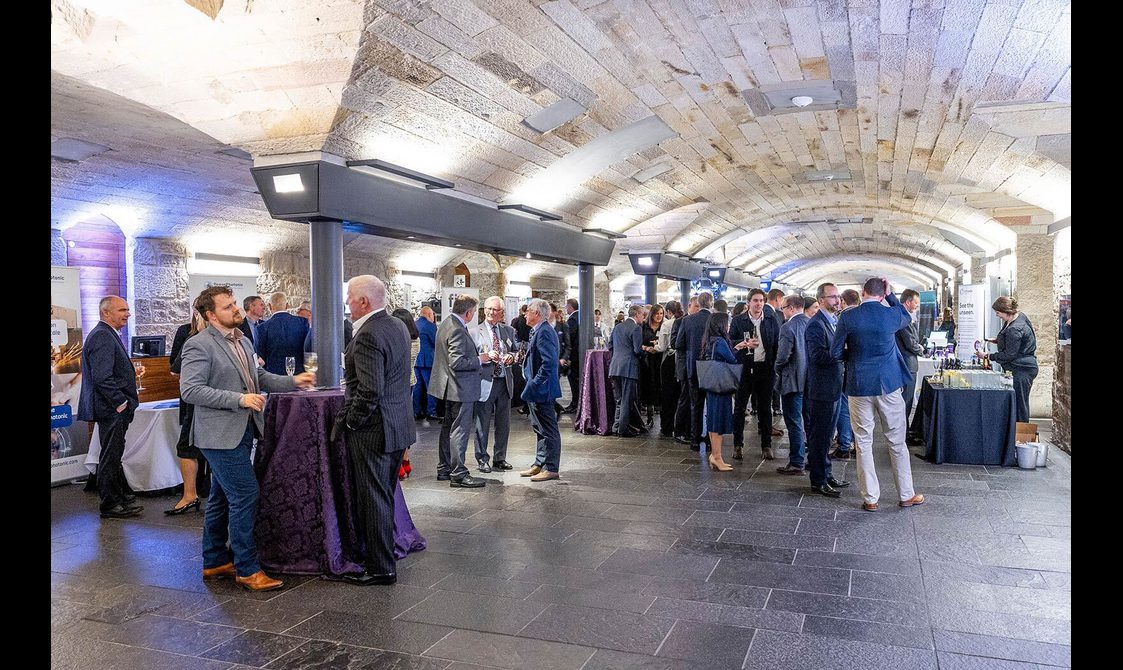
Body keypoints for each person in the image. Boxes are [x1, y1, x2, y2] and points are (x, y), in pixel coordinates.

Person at [180, 286, 315, 591]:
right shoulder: (198, 345)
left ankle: (214, 560)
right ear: (211, 315)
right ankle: (247, 568)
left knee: (221, 496)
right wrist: (239, 400)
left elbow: (258, 378)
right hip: (217, 434)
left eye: (234, 305)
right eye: (227, 307)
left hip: (241, 431)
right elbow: (190, 390)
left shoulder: (241, 339)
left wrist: (293, 381)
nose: (236, 310)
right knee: (245, 495)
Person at [335, 276, 416, 585]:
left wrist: (352, 422)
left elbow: (370, 391)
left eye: (350, 298)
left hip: (374, 430)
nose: (347, 303)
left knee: (373, 498)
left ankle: (380, 567)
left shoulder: (368, 334)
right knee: (382, 495)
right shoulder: (396, 325)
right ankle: (383, 560)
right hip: (397, 425)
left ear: (364, 302)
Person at [832, 278, 923, 512]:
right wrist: (892, 296)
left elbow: (835, 352)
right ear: (882, 295)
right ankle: (906, 494)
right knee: (896, 441)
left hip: (859, 385)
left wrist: (852, 359)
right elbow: (905, 315)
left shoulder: (848, 317)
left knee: (863, 442)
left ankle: (870, 497)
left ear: (862, 292)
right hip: (889, 385)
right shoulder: (892, 315)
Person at [77, 295, 143, 519]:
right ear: (106, 312)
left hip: (112, 408)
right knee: (110, 456)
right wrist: (120, 403)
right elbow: (102, 378)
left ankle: (119, 498)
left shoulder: (106, 334)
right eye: (122, 310)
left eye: (127, 309)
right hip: (111, 409)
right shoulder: (102, 336)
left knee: (114, 454)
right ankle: (111, 504)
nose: (128, 314)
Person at [430, 294, 489, 487]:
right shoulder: (457, 329)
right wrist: (481, 359)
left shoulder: (446, 323)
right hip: (461, 388)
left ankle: (444, 468)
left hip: (449, 387)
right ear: (469, 312)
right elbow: (456, 362)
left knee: (448, 428)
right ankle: (459, 473)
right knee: (459, 431)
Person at [803, 282, 851, 498]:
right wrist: (843, 352)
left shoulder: (833, 321)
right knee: (820, 436)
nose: (837, 300)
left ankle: (827, 474)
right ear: (821, 300)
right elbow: (817, 356)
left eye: (838, 296)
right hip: (821, 389)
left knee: (827, 435)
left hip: (833, 387)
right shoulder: (816, 325)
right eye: (832, 297)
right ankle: (818, 480)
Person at [166, 305, 209, 515]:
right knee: (189, 447)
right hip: (197, 402)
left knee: (188, 447)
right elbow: (174, 366)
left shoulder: (197, 340)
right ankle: (191, 494)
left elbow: (178, 369)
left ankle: (191, 495)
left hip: (199, 402)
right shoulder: (188, 334)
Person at [730, 289, 779, 460]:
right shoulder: (738, 321)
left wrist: (775, 366)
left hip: (765, 368)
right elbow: (730, 341)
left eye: (761, 300)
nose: (759, 304)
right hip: (744, 368)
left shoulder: (772, 320)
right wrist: (740, 344)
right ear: (749, 303)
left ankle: (766, 445)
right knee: (740, 407)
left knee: (766, 408)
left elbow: (777, 344)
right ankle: (738, 445)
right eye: (755, 300)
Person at [471, 297, 518, 472]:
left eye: (496, 310)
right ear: (484, 310)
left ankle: (500, 457)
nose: (492, 312)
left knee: (503, 423)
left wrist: (511, 357)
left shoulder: (508, 331)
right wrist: (484, 357)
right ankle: (482, 458)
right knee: (482, 424)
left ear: (502, 313)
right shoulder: (474, 332)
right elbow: (471, 358)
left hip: (504, 382)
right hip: (485, 382)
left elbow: (516, 351)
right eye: (489, 309)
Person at [520, 299, 563, 481]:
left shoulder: (544, 332)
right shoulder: (537, 330)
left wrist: (536, 383)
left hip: (542, 389)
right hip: (536, 389)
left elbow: (549, 363)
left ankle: (551, 467)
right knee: (539, 428)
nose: (525, 314)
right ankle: (540, 463)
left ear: (537, 313)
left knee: (548, 429)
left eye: (528, 311)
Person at [774, 296, 812, 475]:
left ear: (790, 308)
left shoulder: (788, 327)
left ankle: (797, 462)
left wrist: (777, 368)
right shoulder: (812, 323)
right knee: (810, 421)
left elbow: (783, 356)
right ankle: (812, 458)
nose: (782, 312)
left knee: (794, 421)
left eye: (783, 308)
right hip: (810, 380)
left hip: (792, 380)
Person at [701, 311, 743, 471]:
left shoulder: (710, 340)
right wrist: (738, 349)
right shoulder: (720, 341)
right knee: (718, 421)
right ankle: (717, 456)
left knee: (712, 420)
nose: (729, 325)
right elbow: (731, 359)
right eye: (727, 323)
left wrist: (736, 346)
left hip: (712, 385)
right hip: (721, 386)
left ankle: (715, 455)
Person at [987, 296, 1038, 423]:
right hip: (1022, 366)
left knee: (1021, 405)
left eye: (998, 312)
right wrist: (999, 340)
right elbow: (1017, 342)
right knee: (1018, 403)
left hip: (1022, 369)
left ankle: (1022, 438)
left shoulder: (1015, 328)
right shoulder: (1018, 317)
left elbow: (1010, 355)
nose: (997, 315)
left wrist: (988, 356)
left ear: (1006, 311)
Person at [675, 292, 714, 451]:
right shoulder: (716, 319)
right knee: (711, 405)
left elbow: (678, 344)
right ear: (711, 303)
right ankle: (711, 440)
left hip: (693, 367)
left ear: (699, 303)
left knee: (695, 405)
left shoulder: (687, 320)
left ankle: (695, 440)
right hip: (711, 367)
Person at [830, 290, 861, 459]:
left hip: (846, 367)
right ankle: (858, 445)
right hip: (861, 372)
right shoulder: (863, 316)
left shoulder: (844, 316)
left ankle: (844, 444)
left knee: (843, 407)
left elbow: (837, 349)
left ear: (843, 301)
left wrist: (843, 356)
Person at [609, 304, 647, 437]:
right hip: (629, 368)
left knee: (619, 399)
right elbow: (637, 350)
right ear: (637, 314)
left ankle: (616, 426)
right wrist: (645, 351)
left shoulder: (618, 326)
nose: (644, 317)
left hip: (615, 367)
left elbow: (610, 345)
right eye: (643, 315)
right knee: (627, 399)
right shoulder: (636, 328)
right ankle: (623, 430)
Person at [390, 307, 419, 479]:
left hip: (397, 385)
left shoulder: (399, 340)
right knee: (406, 421)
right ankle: (406, 458)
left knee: (397, 423)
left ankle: (400, 460)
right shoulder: (416, 340)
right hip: (411, 382)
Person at [256, 292, 310, 375]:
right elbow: (308, 348)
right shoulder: (302, 322)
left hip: (274, 377)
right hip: (299, 375)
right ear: (287, 305)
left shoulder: (262, 328)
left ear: (270, 306)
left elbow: (261, 357)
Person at [895, 289, 925, 428]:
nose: (917, 306)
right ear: (908, 302)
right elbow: (910, 343)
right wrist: (921, 350)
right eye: (916, 303)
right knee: (906, 400)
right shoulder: (904, 319)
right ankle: (903, 434)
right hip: (907, 364)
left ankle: (904, 431)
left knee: (906, 400)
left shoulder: (905, 317)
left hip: (907, 363)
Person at [672, 297, 699, 443]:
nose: (698, 309)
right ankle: (679, 432)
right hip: (684, 365)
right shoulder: (680, 321)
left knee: (693, 400)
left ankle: (690, 431)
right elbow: (674, 343)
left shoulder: (698, 321)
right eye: (696, 306)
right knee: (684, 399)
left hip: (695, 366)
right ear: (689, 306)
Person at [657, 300, 682, 438]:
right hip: (682, 360)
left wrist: (652, 347)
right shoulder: (685, 320)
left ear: (669, 312)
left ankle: (666, 427)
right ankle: (681, 427)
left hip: (669, 360)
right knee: (681, 396)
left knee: (667, 395)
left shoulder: (666, 324)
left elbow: (661, 346)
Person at [640, 303, 665, 428]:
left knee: (660, 386)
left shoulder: (664, 327)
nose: (659, 316)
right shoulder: (644, 327)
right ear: (652, 314)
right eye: (657, 314)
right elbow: (638, 343)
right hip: (647, 361)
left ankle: (662, 417)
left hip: (660, 360)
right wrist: (646, 348)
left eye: (661, 314)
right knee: (649, 387)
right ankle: (649, 417)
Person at [412, 306, 439, 421]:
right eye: (433, 315)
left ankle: (417, 411)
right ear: (429, 314)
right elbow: (436, 342)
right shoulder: (430, 326)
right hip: (428, 361)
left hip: (416, 360)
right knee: (431, 387)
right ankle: (431, 411)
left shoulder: (414, 324)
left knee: (417, 387)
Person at [561, 298, 581, 413]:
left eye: (566, 307)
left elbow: (570, 337)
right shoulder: (581, 317)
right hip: (579, 353)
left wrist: (566, 355)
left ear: (570, 306)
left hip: (574, 355)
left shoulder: (572, 319)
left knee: (573, 380)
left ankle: (575, 403)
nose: (565, 309)